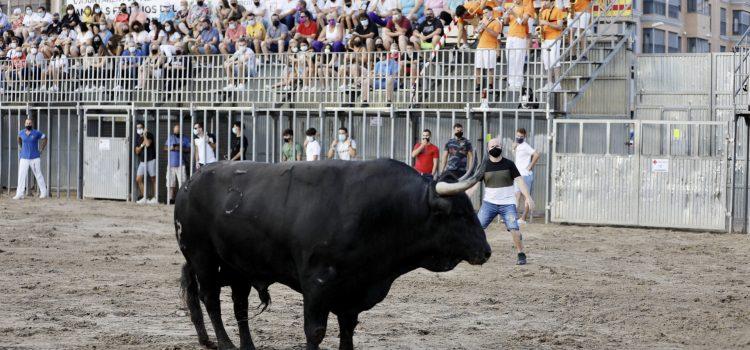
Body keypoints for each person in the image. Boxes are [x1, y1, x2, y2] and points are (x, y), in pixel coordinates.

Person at [477, 138, 533, 265]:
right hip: (489, 203)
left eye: (497, 145)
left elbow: (519, 181)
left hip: (507, 203)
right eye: (492, 146)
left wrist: (528, 197)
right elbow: (474, 184)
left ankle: (521, 254)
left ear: (501, 147)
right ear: (488, 149)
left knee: (514, 228)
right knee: (477, 228)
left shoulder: (509, 164)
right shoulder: (484, 166)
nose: (494, 148)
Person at [13, 118, 48, 200]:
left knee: (38, 175)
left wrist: (41, 149)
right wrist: (21, 147)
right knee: (21, 175)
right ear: (25, 124)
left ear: (31, 124)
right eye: (27, 123)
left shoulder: (36, 133)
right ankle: (19, 194)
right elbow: (18, 137)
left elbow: (45, 138)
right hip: (24, 157)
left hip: (35, 157)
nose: (28, 124)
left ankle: (43, 193)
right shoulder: (21, 132)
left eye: (29, 123)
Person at [503, 0, 533, 91]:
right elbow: (505, 22)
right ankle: (511, 83)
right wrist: (506, 14)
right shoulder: (511, 6)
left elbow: (523, 22)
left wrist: (514, 13)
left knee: (518, 60)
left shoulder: (526, 7)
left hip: (520, 36)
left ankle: (519, 83)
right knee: (510, 59)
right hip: (510, 36)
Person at [512, 128, 540, 224]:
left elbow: (536, 154)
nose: (519, 138)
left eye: (521, 136)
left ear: (525, 137)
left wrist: (530, 166)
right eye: (518, 136)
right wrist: (513, 147)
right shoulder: (518, 145)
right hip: (518, 175)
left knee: (526, 197)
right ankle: (513, 217)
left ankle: (523, 218)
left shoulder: (525, 146)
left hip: (525, 175)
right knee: (516, 196)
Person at [474, 6, 502, 91]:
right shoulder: (482, 21)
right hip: (480, 46)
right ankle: (478, 85)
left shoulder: (497, 22)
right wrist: (478, 29)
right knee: (478, 67)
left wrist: (485, 27)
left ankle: (490, 85)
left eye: (486, 12)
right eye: (483, 13)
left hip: (490, 47)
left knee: (490, 67)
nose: (484, 14)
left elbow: (496, 34)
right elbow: (478, 35)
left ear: (491, 12)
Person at [538, 0, 564, 91]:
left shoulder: (558, 10)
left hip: (554, 38)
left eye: (547, 1)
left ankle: (558, 84)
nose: (544, 3)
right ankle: (549, 83)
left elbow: (560, 26)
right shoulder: (543, 11)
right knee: (547, 61)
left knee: (555, 60)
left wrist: (547, 23)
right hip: (545, 39)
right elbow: (541, 25)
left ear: (552, 2)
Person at [164, 124, 191, 204]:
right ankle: (170, 199)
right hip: (171, 164)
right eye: (175, 130)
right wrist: (172, 148)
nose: (176, 132)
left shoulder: (185, 138)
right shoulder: (170, 138)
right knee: (170, 183)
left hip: (181, 164)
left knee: (182, 183)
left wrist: (181, 148)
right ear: (173, 130)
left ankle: (181, 200)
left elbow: (189, 149)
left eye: (178, 130)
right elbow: (164, 148)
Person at [134, 121, 157, 204]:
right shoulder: (137, 138)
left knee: (153, 179)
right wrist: (141, 145)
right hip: (142, 161)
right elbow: (136, 151)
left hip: (151, 160)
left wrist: (144, 135)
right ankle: (144, 198)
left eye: (140, 128)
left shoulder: (149, 135)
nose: (138, 129)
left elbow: (147, 144)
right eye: (137, 128)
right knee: (138, 179)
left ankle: (155, 198)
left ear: (143, 128)